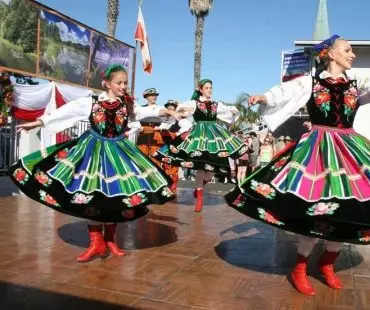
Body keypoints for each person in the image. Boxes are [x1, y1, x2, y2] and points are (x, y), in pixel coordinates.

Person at [225, 35, 370, 296]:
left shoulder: (357, 84)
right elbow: (284, 92)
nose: (353, 55)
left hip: (349, 149)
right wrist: (263, 98)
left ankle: (328, 263)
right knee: (316, 208)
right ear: (330, 53)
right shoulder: (310, 82)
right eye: (347, 50)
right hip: (318, 150)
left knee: (350, 208)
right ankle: (300, 267)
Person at [10, 64, 179, 262]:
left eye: (125, 82)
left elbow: (147, 111)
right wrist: (37, 123)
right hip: (93, 152)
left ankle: (110, 239)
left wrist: (170, 112)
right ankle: (96, 242)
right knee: (91, 194)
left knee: (118, 194)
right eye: (119, 82)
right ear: (106, 83)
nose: (123, 86)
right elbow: (65, 113)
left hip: (118, 152)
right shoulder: (90, 103)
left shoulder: (128, 105)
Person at [153, 79, 247, 212]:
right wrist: (183, 109)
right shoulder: (194, 103)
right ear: (201, 89)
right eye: (207, 88)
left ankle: (201, 185)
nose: (210, 90)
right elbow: (182, 109)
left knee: (214, 167)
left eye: (211, 87)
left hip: (214, 135)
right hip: (199, 134)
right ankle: (200, 199)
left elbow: (228, 111)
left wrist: (233, 111)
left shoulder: (216, 104)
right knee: (200, 167)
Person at [136, 88, 165, 163]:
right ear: (147, 97)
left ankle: (157, 174)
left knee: (156, 159)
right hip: (143, 135)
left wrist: (161, 127)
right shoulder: (140, 108)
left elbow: (167, 121)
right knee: (142, 158)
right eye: (152, 95)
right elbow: (134, 120)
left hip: (155, 135)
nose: (154, 97)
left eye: (155, 95)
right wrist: (139, 127)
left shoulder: (161, 108)